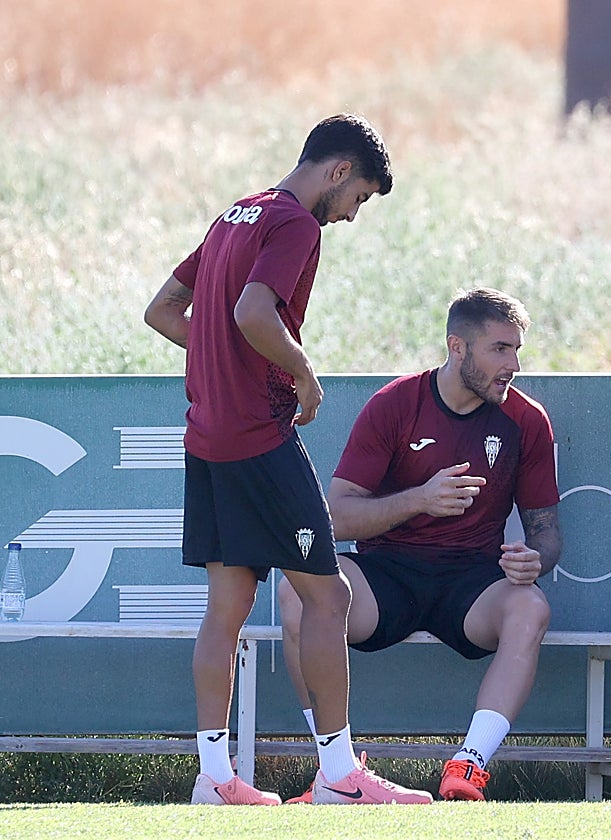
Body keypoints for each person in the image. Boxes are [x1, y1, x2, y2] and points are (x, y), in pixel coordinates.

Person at [145, 114, 432, 806]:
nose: (352, 215)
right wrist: (301, 373)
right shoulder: (296, 225)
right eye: (358, 197)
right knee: (328, 595)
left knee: (227, 609)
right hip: (259, 440)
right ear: (338, 172)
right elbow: (251, 313)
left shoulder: (232, 215)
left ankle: (214, 781)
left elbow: (162, 311)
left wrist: (222, 363)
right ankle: (339, 777)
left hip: (206, 438)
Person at [277, 287, 562, 802]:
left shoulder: (526, 419)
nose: (513, 364)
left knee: (530, 606)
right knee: (300, 592)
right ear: (458, 347)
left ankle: (469, 765)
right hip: (387, 575)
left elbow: (546, 529)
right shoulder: (395, 404)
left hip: (472, 585)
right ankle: (334, 770)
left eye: (517, 349)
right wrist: (419, 500)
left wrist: (534, 558)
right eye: (500, 349)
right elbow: (335, 516)